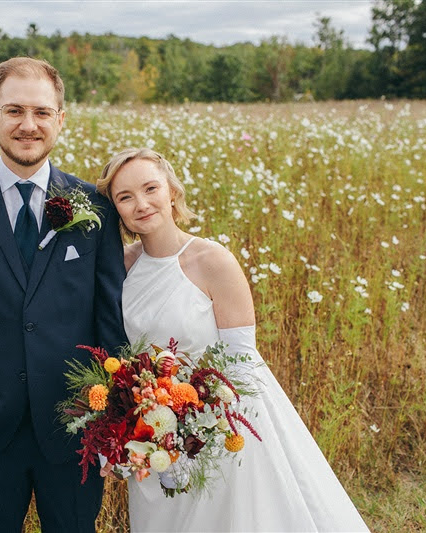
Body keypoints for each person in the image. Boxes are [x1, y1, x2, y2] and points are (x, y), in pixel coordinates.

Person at [96, 147, 369, 532]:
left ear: (171, 191)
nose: (141, 204)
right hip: (151, 425)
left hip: (221, 419)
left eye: (150, 188)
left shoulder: (212, 260)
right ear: (117, 209)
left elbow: (241, 356)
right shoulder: (120, 266)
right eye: (125, 197)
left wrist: (194, 419)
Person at [0, 57, 128, 533]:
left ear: (60, 119)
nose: (28, 125)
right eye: (14, 111)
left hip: (75, 427)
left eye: (41, 112)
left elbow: (109, 317)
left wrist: (108, 412)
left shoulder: (95, 205)